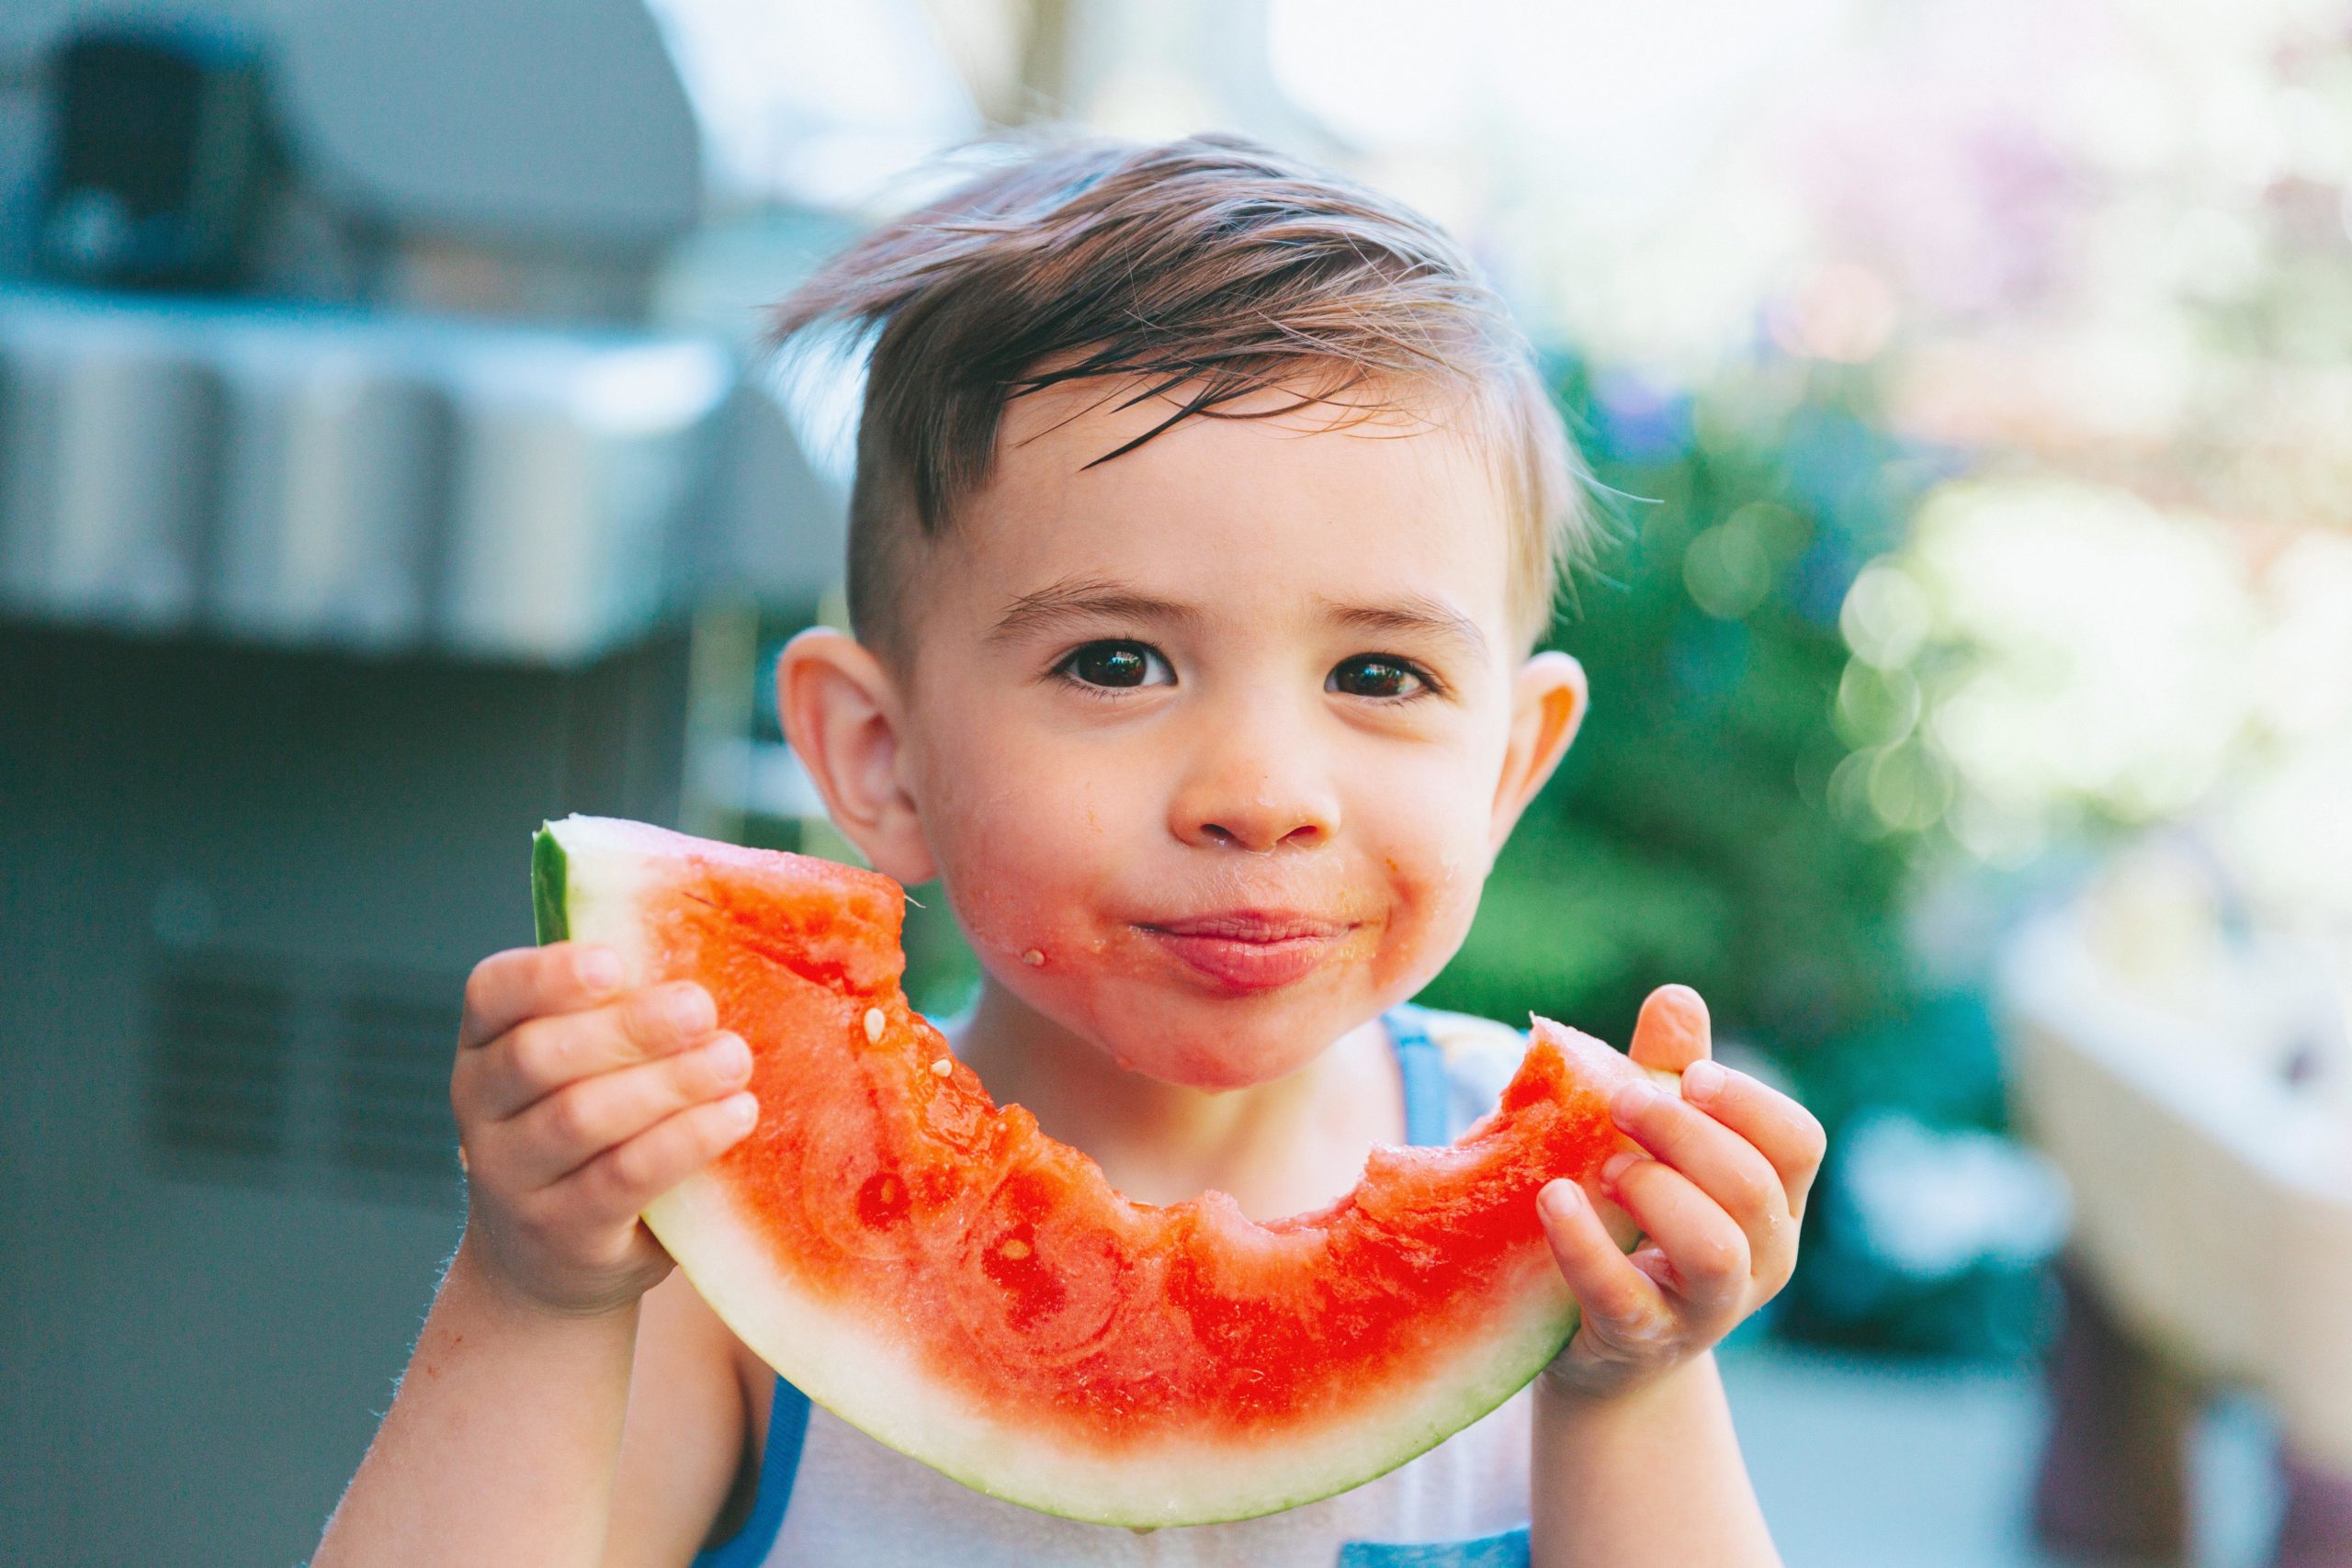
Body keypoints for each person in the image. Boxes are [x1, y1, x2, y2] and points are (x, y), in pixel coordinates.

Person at [314, 132, 1826, 1568]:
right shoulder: (713, 1241)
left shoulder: (1565, 1225)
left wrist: (1633, 1385)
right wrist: (539, 1296)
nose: (1259, 792)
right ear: (880, 757)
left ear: (1508, 766)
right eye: (1116, 663)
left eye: (1378, 675)